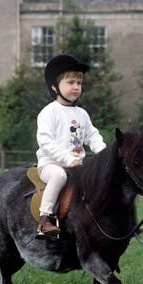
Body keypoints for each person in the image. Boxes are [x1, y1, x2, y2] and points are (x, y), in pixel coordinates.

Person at [35, 54, 106, 239]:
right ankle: (44, 220)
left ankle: (115, 220)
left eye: (79, 83)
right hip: (51, 165)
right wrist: (68, 160)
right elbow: (45, 141)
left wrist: (106, 155)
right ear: (54, 87)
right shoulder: (49, 112)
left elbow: (93, 136)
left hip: (76, 166)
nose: (76, 87)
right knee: (59, 176)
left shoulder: (82, 114)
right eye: (70, 82)